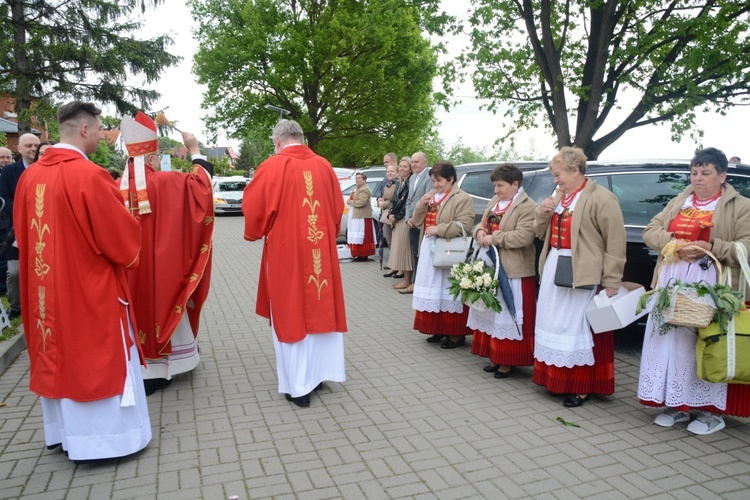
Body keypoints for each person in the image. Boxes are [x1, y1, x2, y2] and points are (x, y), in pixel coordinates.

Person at [14, 101, 150, 462]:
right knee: (95, 358)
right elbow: (121, 240)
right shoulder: (88, 176)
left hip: (45, 290)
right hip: (87, 290)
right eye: (100, 127)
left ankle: (62, 434)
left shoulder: (30, 176)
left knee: (57, 355)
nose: (101, 134)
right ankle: (103, 442)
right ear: (85, 129)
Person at [638, 147, 750, 435]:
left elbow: (747, 246)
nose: (698, 178)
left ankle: (709, 411)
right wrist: (673, 242)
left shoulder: (740, 206)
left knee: (702, 343)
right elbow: (651, 231)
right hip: (673, 281)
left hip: (711, 283)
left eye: (706, 173)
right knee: (671, 342)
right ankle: (677, 405)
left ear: (723, 176)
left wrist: (711, 248)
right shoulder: (680, 200)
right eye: (694, 172)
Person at [242, 119, 347, 408]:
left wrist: (255, 230)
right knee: (320, 308)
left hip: (287, 254)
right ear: (301, 138)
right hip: (321, 254)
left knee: (291, 312)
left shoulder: (272, 166)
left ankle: (299, 386)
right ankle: (320, 375)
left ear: (277, 140)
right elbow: (338, 209)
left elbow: (254, 208)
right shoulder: (324, 165)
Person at [119, 112, 214, 396]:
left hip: (128, 272)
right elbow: (202, 189)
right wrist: (195, 150)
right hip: (161, 270)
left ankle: (140, 367)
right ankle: (165, 367)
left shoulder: (114, 188)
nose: (159, 161)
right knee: (163, 302)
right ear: (149, 159)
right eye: (157, 157)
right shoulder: (165, 182)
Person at [533, 147, 626, 407]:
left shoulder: (601, 198)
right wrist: (542, 211)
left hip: (582, 269)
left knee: (576, 327)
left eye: (558, 174)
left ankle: (581, 386)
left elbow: (615, 242)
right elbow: (539, 233)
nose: (555, 180)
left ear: (576, 170)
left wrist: (612, 280)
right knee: (554, 323)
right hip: (554, 266)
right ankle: (557, 380)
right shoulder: (558, 196)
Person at [469, 164, 537, 378]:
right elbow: (481, 222)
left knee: (508, 313)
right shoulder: (496, 201)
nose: (496, 190)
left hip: (514, 269)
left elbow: (524, 236)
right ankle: (496, 356)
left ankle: (509, 360)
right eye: (495, 185)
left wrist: (494, 238)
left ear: (515, 184)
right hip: (491, 264)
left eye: (500, 185)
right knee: (493, 313)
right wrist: (479, 231)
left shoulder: (528, 206)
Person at [411, 161, 475, 348]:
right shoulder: (431, 195)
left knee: (448, 288)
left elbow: (465, 225)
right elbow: (416, 221)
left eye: (439, 181)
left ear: (451, 179)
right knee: (432, 287)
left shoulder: (462, 198)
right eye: (433, 181)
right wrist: (421, 206)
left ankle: (455, 334)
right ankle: (437, 328)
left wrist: (440, 229)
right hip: (429, 247)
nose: (436, 185)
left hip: (448, 249)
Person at [0, 132, 40, 319]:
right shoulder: (9, 172)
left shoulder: (46, 169)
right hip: (17, 228)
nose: (33, 149)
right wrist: (22, 217)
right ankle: (16, 307)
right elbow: (4, 198)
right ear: (19, 149)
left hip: (43, 228)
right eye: (28, 145)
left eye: (35, 145)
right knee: (15, 272)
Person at [402, 151, 431, 294]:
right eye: (412, 162)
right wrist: (409, 218)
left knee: (422, 253)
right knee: (414, 253)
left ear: (425, 162)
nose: (414, 165)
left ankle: (418, 283)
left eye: (416, 162)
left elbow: (427, 201)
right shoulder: (413, 177)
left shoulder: (429, 178)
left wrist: (416, 219)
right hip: (412, 222)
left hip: (423, 222)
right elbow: (409, 200)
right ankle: (415, 282)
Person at [388, 157, 413, 287]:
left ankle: (407, 280)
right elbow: (393, 199)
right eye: (401, 166)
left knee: (405, 250)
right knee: (399, 248)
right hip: (396, 218)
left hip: (404, 218)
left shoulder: (410, 182)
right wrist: (389, 214)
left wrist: (396, 216)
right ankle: (405, 279)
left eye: (405, 166)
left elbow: (407, 203)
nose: (402, 169)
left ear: (410, 169)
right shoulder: (399, 182)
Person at [347, 172, 376, 261]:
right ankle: (357, 254)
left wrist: (350, 202)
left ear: (364, 180)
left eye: (359, 178)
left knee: (362, 236)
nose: (357, 180)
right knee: (356, 235)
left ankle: (363, 254)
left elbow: (361, 202)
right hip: (356, 214)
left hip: (362, 216)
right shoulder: (357, 188)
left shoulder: (365, 189)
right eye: (356, 178)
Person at [378, 163, 398, 257]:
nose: (389, 173)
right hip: (386, 215)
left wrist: (383, 204)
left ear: (397, 173)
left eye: (392, 171)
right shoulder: (388, 184)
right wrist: (380, 200)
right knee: (388, 239)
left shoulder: (397, 184)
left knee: (394, 241)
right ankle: (392, 263)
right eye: (388, 171)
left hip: (393, 215)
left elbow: (395, 200)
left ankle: (395, 264)